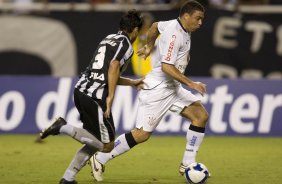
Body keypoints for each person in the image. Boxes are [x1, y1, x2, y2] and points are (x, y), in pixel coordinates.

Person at [90, 0, 209, 182]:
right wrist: (191, 84)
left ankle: (187, 163)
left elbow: (154, 27)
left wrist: (149, 45)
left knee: (200, 116)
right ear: (186, 16)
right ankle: (99, 158)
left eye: (202, 19)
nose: (200, 23)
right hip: (158, 90)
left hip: (172, 88)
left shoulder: (172, 25)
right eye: (198, 18)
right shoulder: (175, 35)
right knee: (141, 134)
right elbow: (166, 67)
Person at [39, 9, 143, 184]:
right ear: (134, 30)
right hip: (95, 97)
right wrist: (110, 97)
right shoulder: (126, 44)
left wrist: (132, 83)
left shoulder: (108, 39)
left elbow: (108, 73)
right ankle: (62, 127)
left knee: (94, 140)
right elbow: (113, 66)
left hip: (81, 90)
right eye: (138, 32)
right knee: (107, 145)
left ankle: (68, 178)